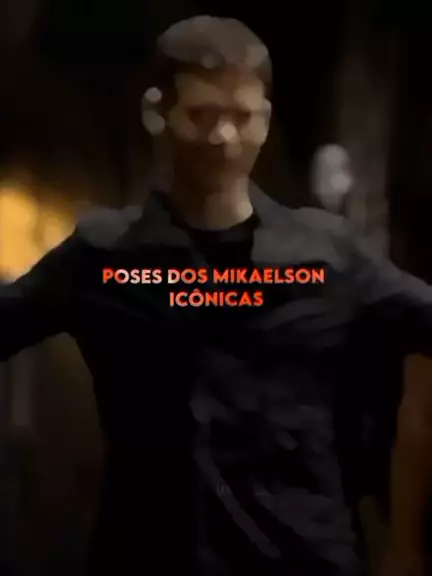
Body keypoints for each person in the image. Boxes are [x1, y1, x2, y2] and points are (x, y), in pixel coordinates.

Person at [1, 15, 431, 576]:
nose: (225, 137)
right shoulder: (104, 256)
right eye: (202, 115)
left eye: (242, 117)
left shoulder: (328, 256)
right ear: (157, 113)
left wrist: (406, 535)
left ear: (265, 121)